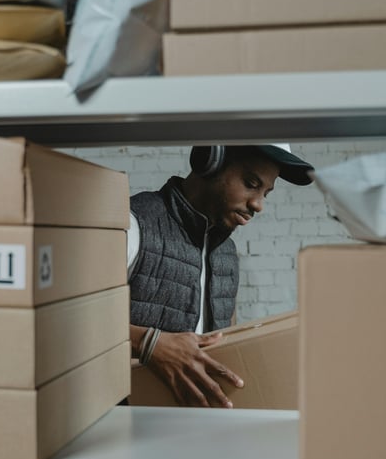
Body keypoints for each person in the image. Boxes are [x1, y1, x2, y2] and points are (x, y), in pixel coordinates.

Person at [128, 143, 314, 408]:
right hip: (126, 429)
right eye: (250, 183)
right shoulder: (133, 225)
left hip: (200, 431)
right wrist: (150, 343)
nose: (258, 205)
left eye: (266, 193)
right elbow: (67, 327)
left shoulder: (227, 254)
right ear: (209, 161)